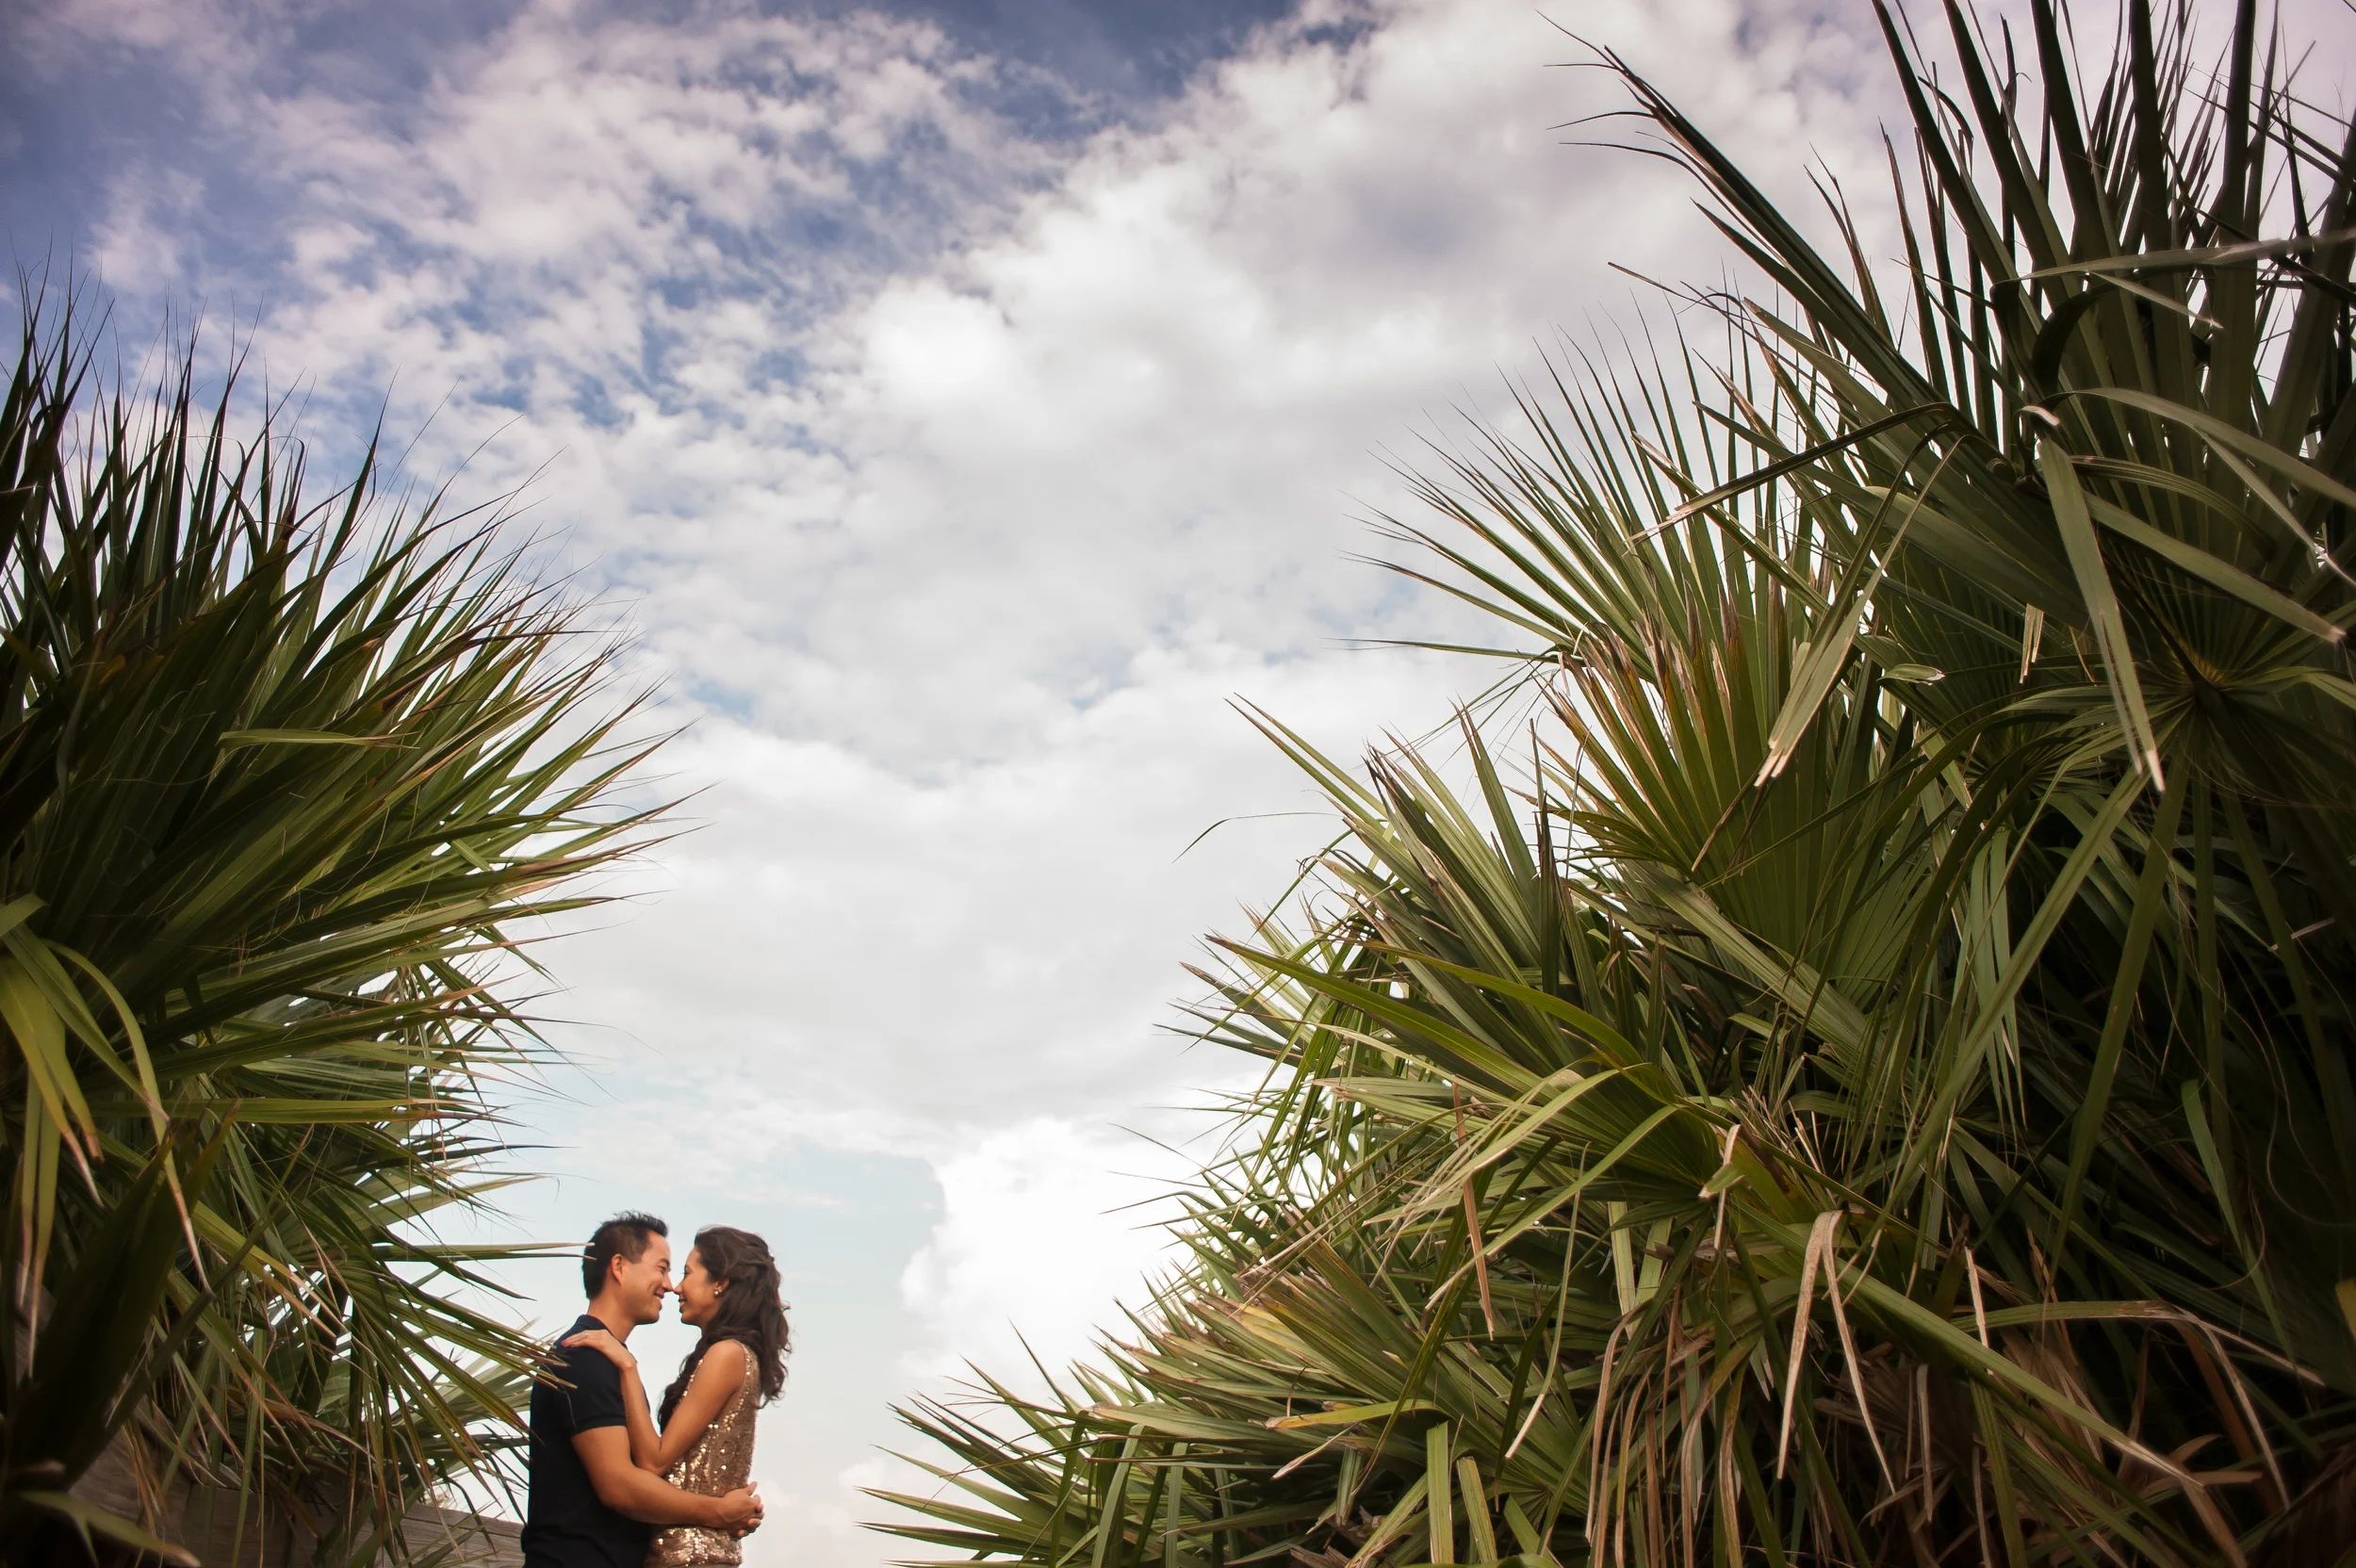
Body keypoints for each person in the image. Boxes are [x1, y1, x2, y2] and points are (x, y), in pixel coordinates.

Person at [523, 1214, 762, 1568]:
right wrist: (718, 1511)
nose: (669, 1285)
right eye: (662, 1268)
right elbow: (620, 1485)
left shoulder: (610, 1361)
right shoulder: (583, 1358)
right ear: (619, 1267)